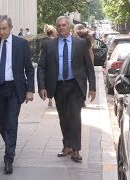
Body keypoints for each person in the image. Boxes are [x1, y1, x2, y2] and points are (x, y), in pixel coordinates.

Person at [37, 16, 96, 163]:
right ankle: (67, 145)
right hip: (58, 86)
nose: (61, 27)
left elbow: (89, 66)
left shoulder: (81, 44)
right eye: (59, 25)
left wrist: (92, 87)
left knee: (75, 116)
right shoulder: (48, 45)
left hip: (75, 85)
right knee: (63, 117)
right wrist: (42, 86)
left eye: (64, 25)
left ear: (69, 27)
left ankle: (76, 149)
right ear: (56, 28)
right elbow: (42, 67)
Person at [0, 15, 34, 174]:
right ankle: (10, 144)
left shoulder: (21, 44)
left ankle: (8, 158)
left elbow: (29, 69)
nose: (1, 31)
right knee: (2, 124)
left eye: (4, 28)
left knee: (11, 122)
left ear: (11, 28)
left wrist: (30, 90)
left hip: (14, 89)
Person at [43, 24, 58, 107]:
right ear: (52, 32)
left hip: (48, 66)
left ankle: (50, 99)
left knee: (50, 83)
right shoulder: (56, 41)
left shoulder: (45, 42)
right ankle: (53, 99)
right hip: (54, 64)